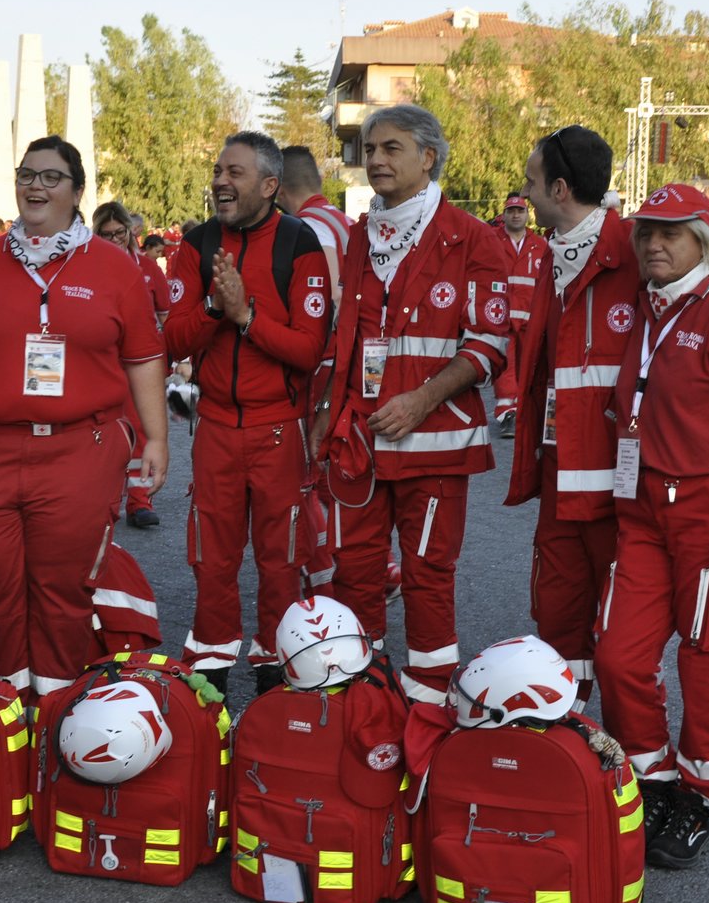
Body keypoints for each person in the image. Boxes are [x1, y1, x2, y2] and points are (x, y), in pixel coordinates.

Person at [504, 126, 709, 704]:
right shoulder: (544, 254)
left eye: (530, 183)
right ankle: (568, 728)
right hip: (561, 476)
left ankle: (661, 771)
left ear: (558, 186)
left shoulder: (632, 247)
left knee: (636, 637)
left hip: (622, 489)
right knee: (560, 617)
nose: (523, 195)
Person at [0, 135, 167, 700]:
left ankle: (55, 711)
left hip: (78, 451)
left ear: (77, 192)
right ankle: (3, 712)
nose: (35, 185)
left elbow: (143, 356)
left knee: (63, 592)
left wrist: (156, 437)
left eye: (51, 177)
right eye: (26, 174)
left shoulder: (114, 267)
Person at [593, 183, 709, 869]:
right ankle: (656, 779)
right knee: (617, 655)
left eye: (671, 233)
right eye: (646, 232)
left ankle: (700, 799)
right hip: (644, 510)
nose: (653, 244)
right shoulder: (643, 304)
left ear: (704, 239)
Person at [316, 104, 511, 704]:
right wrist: (328, 420)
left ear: (428, 156)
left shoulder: (474, 238)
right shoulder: (357, 238)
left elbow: (489, 344)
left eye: (390, 148)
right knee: (355, 573)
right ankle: (360, 694)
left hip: (435, 446)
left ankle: (428, 702)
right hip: (361, 441)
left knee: (428, 577)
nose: (374, 159)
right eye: (369, 148)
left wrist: (423, 399)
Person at [164, 131, 331, 694]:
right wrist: (217, 307)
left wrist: (246, 318)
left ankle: (274, 685)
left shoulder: (299, 243)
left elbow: (309, 351)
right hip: (213, 429)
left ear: (269, 184)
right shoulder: (197, 242)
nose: (220, 182)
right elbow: (170, 339)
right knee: (211, 561)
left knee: (281, 562)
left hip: (277, 430)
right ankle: (208, 685)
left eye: (234, 173)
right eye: (217, 171)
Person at [94, 199, 169, 529]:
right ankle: (103, 499)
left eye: (119, 233)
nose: (114, 240)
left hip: (138, 363)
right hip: (101, 362)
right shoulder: (87, 266)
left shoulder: (147, 268)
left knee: (140, 428)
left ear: (130, 232)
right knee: (102, 429)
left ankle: (139, 500)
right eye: (106, 234)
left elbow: (166, 314)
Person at [488, 190, 547, 439]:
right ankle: (507, 412)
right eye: (511, 211)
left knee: (531, 368)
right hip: (501, 317)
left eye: (519, 211)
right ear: (504, 214)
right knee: (504, 367)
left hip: (531, 319)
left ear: (527, 214)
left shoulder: (541, 245)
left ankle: (527, 410)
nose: (515, 215)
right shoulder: (491, 241)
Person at [275, 144, 352, 298]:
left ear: (280, 191)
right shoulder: (342, 218)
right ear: (320, 181)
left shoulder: (309, 226)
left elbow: (332, 291)